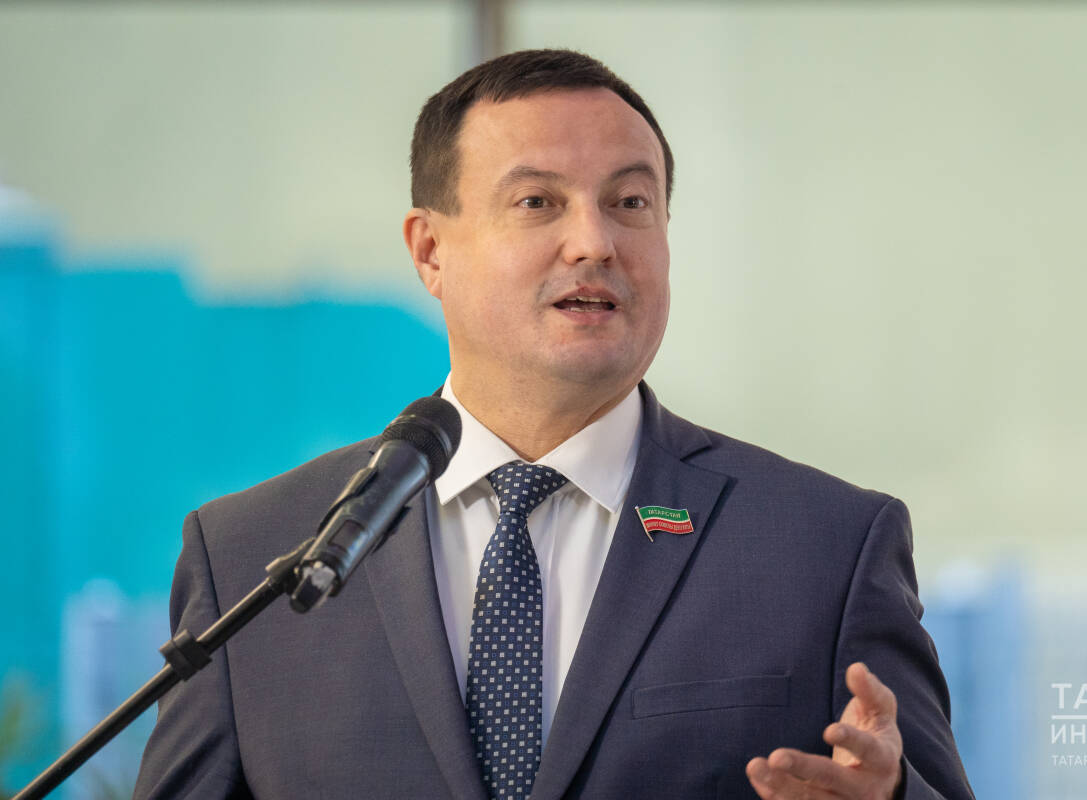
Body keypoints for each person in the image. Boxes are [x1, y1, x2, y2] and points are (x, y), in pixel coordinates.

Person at [134, 49, 974, 800]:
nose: (594, 242)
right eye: (538, 201)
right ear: (430, 251)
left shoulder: (823, 547)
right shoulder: (252, 556)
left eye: (631, 202)